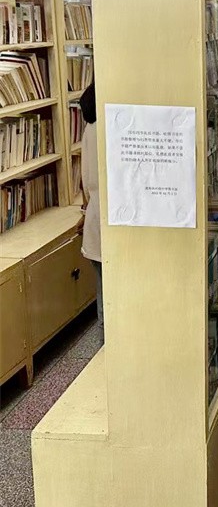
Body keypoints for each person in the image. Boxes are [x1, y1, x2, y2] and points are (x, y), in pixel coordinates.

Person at [79, 82, 102, 329]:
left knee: (104, 301)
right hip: (115, 227)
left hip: (95, 223)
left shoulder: (90, 130)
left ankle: (106, 345)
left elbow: (86, 183)